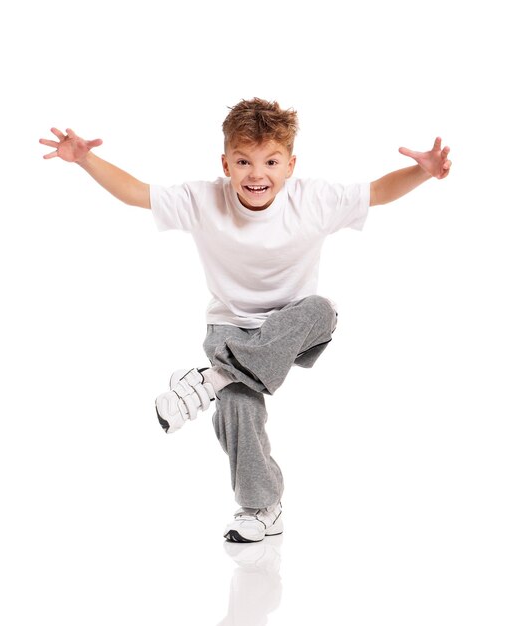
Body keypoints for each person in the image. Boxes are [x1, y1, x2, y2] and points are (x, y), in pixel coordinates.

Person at [40, 98, 452, 543]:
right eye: (243, 161)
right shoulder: (203, 200)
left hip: (295, 329)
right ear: (226, 163)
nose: (257, 174)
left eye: (271, 161)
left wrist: (423, 172)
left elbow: (378, 191)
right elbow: (138, 193)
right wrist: (85, 160)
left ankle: (209, 382)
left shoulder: (313, 199)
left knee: (322, 309)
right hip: (231, 331)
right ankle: (261, 507)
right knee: (239, 407)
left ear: (290, 164)